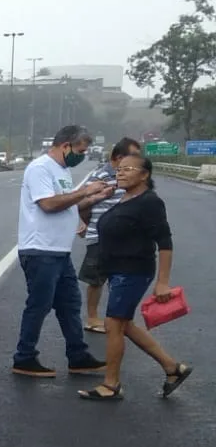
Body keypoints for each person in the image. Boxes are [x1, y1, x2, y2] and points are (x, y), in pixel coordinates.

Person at [77, 154, 192, 401]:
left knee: (114, 324)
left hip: (133, 271)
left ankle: (111, 384)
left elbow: (165, 242)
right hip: (118, 272)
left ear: (144, 175)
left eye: (128, 169)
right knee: (124, 324)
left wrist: (162, 282)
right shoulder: (124, 198)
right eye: (119, 169)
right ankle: (173, 368)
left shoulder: (149, 202)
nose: (120, 173)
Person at [12, 126, 113, 378]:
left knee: (69, 304)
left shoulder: (63, 171)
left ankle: (78, 355)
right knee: (39, 304)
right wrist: (84, 191)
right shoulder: (40, 168)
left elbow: (69, 205)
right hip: (40, 249)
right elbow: (47, 204)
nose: (82, 154)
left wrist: (96, 197)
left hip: (59, 249)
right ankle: (24, 357)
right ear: (65, 145)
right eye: (80, 150)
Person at [77, 138, 139, 333]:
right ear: (119, 157)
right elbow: (81, 202)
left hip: (126, 238)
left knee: (122, 280)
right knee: (96, 279)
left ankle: (119, 318)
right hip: (101, 238)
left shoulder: (130, 176)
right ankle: (93, 318)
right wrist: (87, 224)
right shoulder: (100, 176)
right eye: (134, 156)